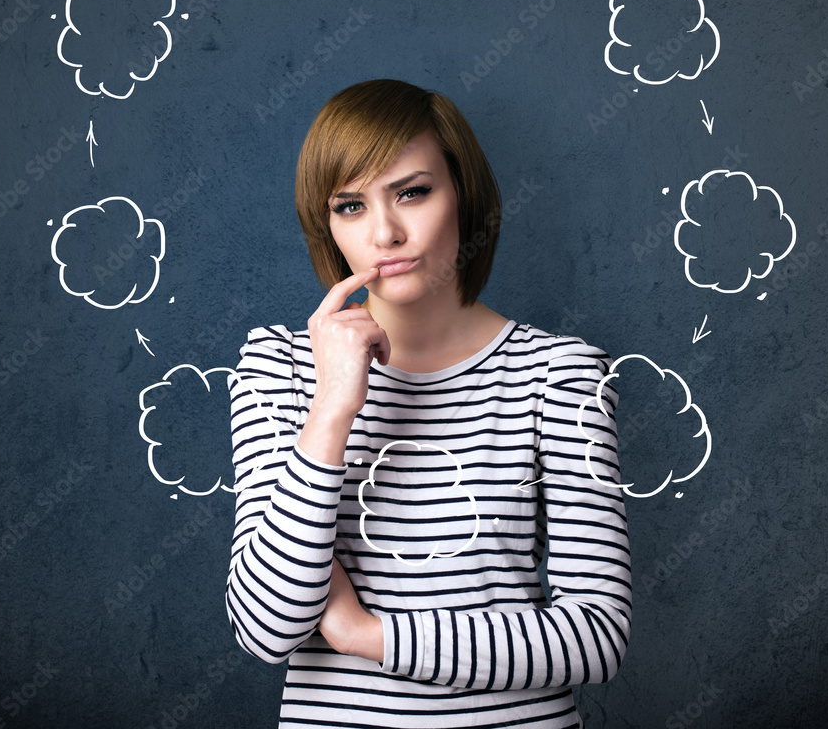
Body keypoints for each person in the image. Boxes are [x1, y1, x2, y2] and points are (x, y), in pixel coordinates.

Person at [225, 78, 631, 729]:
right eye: (350, 206)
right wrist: (330, 408)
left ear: (463, 197)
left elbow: (595, 636)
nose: (384, 232)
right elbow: (267, 628)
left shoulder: (558, 374)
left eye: (412, 192)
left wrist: (366, 635)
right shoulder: (279, 366)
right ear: (326, 226)